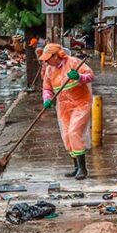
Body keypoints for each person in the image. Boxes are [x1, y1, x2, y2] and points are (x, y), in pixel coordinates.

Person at [41, 43, 94, 180]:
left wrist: (79, 77)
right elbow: (47, 88)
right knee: (66, 135)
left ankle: (83, 168)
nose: (46, 61)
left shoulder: (73, 62)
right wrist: (47, 99)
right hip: (64, 106)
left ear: (56, 55)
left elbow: (90, 75)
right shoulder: (49, 70)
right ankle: (76, 166)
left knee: (74, 131)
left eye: (48, 58)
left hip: (81, 103)